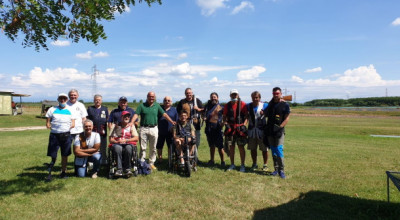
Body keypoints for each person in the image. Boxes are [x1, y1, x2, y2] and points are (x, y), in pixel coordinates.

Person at [132, 92, 176, 170]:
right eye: (150, 96)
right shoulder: (141, 106)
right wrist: (131, 122)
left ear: (154, 97)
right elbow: (136, 114)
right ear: (147, 97)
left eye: (153, 97)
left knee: (153, 147)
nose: (151, 98)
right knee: (143, 147)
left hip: (154, 128)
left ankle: (151, 163)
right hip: (143, 128)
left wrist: (171, 121)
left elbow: (164, 114)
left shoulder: (157, 106)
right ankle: (142, 162)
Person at [45, 93, 76, 179]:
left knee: (65, 154)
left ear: (67, 100)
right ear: (58, 99)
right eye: (61, 99)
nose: (62, 100)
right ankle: (50, 171)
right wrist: (48, 124)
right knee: (53, 154)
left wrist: (68, 127)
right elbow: (48, 120)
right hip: (54, 135)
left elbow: (73, 123)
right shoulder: (52, 109)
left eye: (64, 99)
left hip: (66, 135)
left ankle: (63, 172)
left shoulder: (71, 110)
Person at [264, 87, 290, 179]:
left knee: (279, 150)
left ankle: (281, 170)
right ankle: (276, 169)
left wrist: (280, 127)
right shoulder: (270, 104)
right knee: (273, 151)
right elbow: (265, 114)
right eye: (274, 94)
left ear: (281, 93)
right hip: (270, 131)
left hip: (279, 131)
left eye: (277, 93)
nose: (275, 95)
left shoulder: (285, 105)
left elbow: (287, 118)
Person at [223, 89, 248, 172]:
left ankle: (242, 165)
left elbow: (247, 116)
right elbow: (224, 117)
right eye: (232, 95)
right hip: (231, 129)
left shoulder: (243, 104)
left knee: (241, 147)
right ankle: (232, 164)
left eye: (235, 95)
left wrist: (244, 125)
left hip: (240, 129)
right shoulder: (227, 105)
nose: (234, 96)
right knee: (231, 147)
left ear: (238, 95)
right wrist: (226, 124)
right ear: (230, 96)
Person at [109, 111, 139, 177]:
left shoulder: (131, 126)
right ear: (121, 117)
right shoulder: (115, 126)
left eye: (128, 116)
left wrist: (127, 140)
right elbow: (110, 139)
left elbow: (136, 138)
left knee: (128, 148)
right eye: (125, 116)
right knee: (117, 148)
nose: (127, 117)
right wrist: (117, 142)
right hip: (118, 143)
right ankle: (119, 169)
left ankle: (127, 168)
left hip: (128, 143)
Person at [247, 91, 269, 171]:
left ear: (259, 98)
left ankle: (265, 164)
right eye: (253, 97)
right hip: (252, 131)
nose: (255, 99)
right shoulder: (248, 106)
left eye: (256, 97)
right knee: (253, 148)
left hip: (262, 131)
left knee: (264, 149)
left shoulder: (265, 105)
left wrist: (265, 113)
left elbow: (271, 112)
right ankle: (254, 164)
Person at [203, 92, 225, 167]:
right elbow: (203, 113)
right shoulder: (207, 107)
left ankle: (223, 161)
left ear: (217, 98)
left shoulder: (221, 107)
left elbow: (226, 116)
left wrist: (223, 123)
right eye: (212, 97)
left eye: (214, 97)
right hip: (209, 129)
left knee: (220, 147)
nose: (213, 98)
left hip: (218, 129)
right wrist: (204, 117)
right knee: (211, 146)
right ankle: (212, 160)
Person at [87, 94, 109, 165]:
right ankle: (91, 161)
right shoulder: (90, 109)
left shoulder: (105, 109)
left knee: (103, 147)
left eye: (99, 100)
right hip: (93, 132)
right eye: (96, 100)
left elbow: (107, 119)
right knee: (92, 147)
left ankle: (104, 161)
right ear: (94, 101)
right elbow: (87, 119)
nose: (97, 101)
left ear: (101, 101)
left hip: (102, 131)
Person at [156, 96, 178, 164]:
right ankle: (160, 158)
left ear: (171, 102)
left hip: (170, 131)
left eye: (168, 100)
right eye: (165, 100)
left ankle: (169, 158)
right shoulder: (160, 109)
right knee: (159, 146)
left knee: (170, 146)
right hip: (160, 130)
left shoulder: (174, 110)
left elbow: (176, 121)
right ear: (163, 102)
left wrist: (174, 128)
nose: (167, 102)